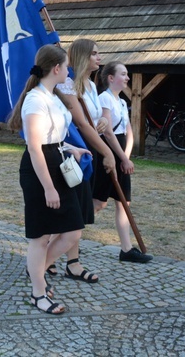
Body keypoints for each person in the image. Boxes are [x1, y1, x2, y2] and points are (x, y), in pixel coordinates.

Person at [8, 44, 90, 315]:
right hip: (38, 170)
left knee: (72, 231)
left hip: (57, 160)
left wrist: (70, 148)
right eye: (66, 66)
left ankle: (37, 273)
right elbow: (34, 146)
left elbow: (53, 137)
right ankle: (38, 293)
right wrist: (48, 188)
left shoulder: (53, 96)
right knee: (40, 237)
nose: (69, 70)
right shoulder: (35, 99)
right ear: (56, 69)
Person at [54, 39, 132, 279]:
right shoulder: (68, 85)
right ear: (82, 57)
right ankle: (59, 259)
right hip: (77, 149)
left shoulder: (89, 85)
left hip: (93, 148)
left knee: (80, 206)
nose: (99, 58)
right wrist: (108, 152)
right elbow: (80, 124)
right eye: (95, 54)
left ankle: (66, 260)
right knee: (73, 206)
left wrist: (103, 122)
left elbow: (96, 122)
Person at [97, 61, 152, 263]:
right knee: (98, 203)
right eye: (123, 74)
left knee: (123, 202)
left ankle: (126, 249)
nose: (127, 77)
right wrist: (121, 158)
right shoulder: (104, 98)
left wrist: (126, 157)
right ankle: (64, 238)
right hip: (108, 152)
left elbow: (128, 131)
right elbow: (108, 133)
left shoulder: (120, 101)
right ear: (111, 78)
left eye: (127, 74)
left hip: (120, 152)